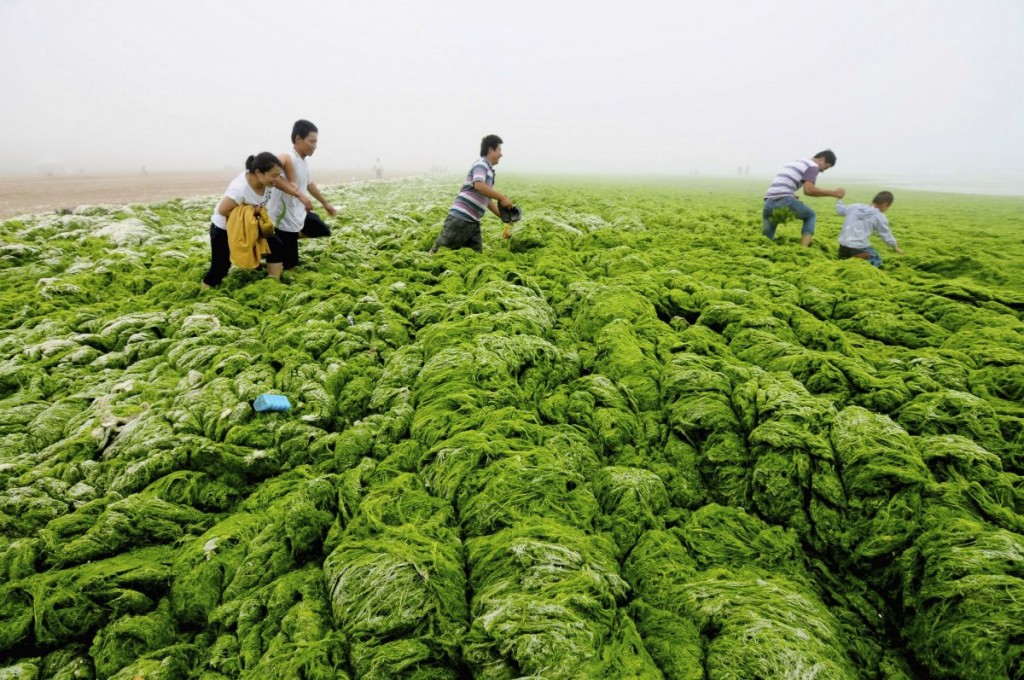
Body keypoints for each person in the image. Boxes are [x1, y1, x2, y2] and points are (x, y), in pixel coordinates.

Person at [201, 152, 285, 289]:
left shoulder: (266, 182)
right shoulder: (239, 189)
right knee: (220, 268)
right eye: (274, 175)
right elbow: (223, 210)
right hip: (224, 229)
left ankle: (273, 283)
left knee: (275, 245)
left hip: (253, 223)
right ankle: (204, 292)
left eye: (279, 175)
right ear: (258, 173)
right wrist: (252, 213)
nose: (277, 179)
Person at [266, 119, 337, 270]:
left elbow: (309, 184)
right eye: (312, 141)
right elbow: (272, 175)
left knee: (321, 227)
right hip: (282, 219)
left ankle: (287, 239)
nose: (315, 146)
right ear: (298, 139)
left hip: (297, 215)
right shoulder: (289, 157)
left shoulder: (303, 162)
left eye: (316, 142)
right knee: (290, 265)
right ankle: (271, 245)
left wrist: (325, 204)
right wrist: (299, 195)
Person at [428, 134, 513, 254]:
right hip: (460, 219)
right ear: (490, 150)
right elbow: (478, 185)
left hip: (473, 222)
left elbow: (487, 200)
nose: (501, 154)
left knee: (475, 256)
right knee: (438, 253)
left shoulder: (489, 170)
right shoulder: (481, 164)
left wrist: (504, 217)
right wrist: (501, 197)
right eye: (499, 150)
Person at [762, 149, 846, 247]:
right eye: (825, 167)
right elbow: (808, 190)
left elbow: (783, 182)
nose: (822, 171)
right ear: (822, 159)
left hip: (768, 201)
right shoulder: (812, 166)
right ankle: (803, 249)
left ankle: (764, 248)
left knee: (766, 240)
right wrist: (834, 193)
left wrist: (791, 193)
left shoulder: (797, 162)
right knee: (810, 215)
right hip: (784, 200)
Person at [836, 191, 903, 267]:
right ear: (886, 205)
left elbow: (840, 211)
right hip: (859, 248)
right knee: (877, 261)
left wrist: (839, 199)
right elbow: (886, 235)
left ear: (873, 201)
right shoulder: (879, 216)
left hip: (843, 246)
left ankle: (846, 259)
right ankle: (855, 260)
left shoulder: (855, 206)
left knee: (844, 257)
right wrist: (895, 247)